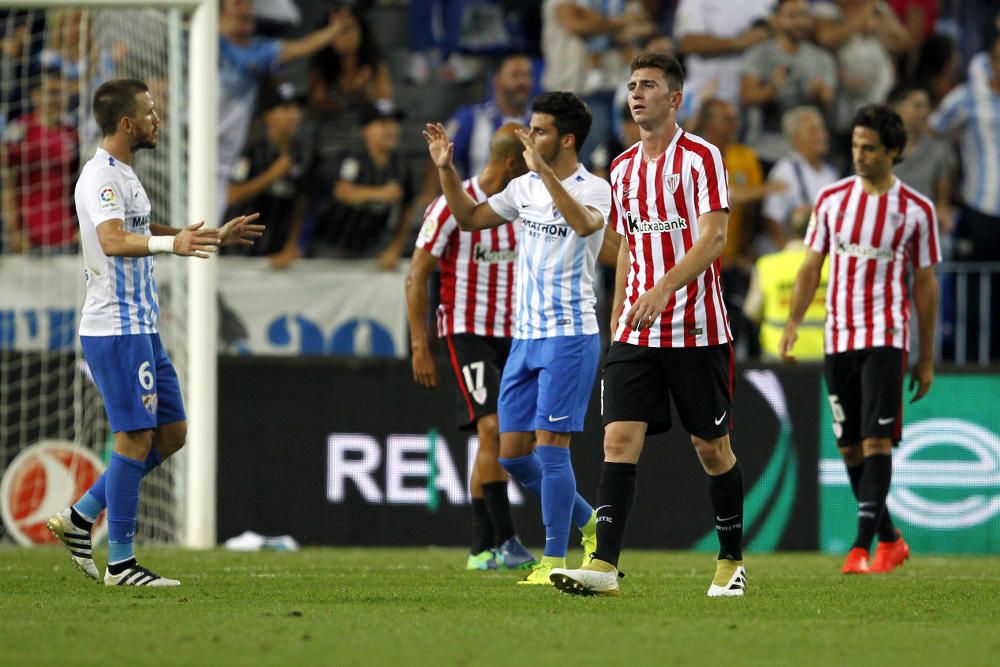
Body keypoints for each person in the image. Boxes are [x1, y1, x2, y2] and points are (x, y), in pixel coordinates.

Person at [47, 79, 263, 586]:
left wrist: (203, 235)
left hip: (142, 327)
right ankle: (120, 563)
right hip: (115, 327)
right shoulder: (99, 177)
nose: (156, 118)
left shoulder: (125, 175)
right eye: (149, 111)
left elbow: (140, 228)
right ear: (126, 123)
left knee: (171, 434)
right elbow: (114, 239)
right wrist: (173, 248)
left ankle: (80, 519)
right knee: (134, 438)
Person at [548, 52, 746, 598]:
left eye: (649, 85)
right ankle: (604, 567)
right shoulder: (624, 168)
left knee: (712, 449)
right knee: (617, 439)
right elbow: (633, 251)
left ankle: (731, 562)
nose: (636, 93)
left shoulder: (702, 158)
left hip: (697, 329)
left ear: (675, 98)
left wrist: (663, 289)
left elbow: (713, 239)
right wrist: (616, 322)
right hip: (637, 331)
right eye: (632, 85)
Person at [424, 91, 608, 585]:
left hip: (569, 335)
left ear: (567, 140)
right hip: (524, 338)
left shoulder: (595, 188)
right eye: (530, 128)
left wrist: (544, 174)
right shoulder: (523, 188)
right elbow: (468, 218)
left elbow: (584, 224)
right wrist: (446, 169)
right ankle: (591, 522)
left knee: (551, 450)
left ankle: (553, 559)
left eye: (541, 131)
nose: (530, 137)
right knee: (511, 455)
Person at [780, 104, 940, 574]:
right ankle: (890, 540)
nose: (859, 155)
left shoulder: (916, 210)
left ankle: (860, 546)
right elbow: (811, 265)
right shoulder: (831, 200)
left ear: (893, 151)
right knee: (849, 446)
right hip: (838, 335)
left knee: (876, 442)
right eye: (854, 145)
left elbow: (925, 284)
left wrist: (925, 357)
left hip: (886, 336)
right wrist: (793, 324)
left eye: (869, 148)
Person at [406, 123, 536, 571]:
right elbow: (416, 275)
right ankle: (506, 542)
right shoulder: (450, 206)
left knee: (503, 435)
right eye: (528, 160)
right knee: (493, 429)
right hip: (465, 330)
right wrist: (420, 344)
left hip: (514, 332)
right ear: (510, 164)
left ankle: (481, 549)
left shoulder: (523, 207)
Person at [217, 0, 342, 224]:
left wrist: (335, 30)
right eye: (238, 4)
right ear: (218, 14)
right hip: (184, 144)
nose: (246, 9)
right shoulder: (198, 43)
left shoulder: (258, 50)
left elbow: (298, 44)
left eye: (249, 8)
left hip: (223, 157)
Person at [309, 103, 414, 269]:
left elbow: (408, 209)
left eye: (394, 123)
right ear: (365, 130)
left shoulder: (401, 166)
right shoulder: (351, 158)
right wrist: (381, 193)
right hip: (332, 246)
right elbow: (341, 191)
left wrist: (395, 248)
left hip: (371, 249)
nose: (391, 129)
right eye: (383, 123)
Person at [224, 80, 310, 269]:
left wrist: (291, 245)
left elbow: (300, 204)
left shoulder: (301, 154)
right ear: (268, 115)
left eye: (297, 108)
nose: (294, 115)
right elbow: (233, 195)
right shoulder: (250, 151)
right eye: (286, 108)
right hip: (238, 253)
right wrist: (272, 175)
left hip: (276, 254)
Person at [739, 0, 836, 167]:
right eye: (792, 16)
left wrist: (818, 93)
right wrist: (772, 88)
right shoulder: (759, 54)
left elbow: (829, 101)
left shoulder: (822, 58)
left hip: (806, 152)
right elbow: (747, 97)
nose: (800, 22)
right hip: (766, 150)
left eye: (804, 16)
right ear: (776, 19)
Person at [1, 66, 78, 253]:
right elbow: (8, 186)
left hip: (67, 237)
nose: (59, 98)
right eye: (53, 92)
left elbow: (75, 187)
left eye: (63, 93)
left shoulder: (71, 134)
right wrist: (14, 232)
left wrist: (79, 228)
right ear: (35, 95)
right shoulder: (19, 132)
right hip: (30, 238)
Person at [743, 205, 827, 361]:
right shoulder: (835, 264)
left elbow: (752, 312)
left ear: (788, 230)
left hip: (779, 359)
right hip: (825, 360)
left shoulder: (766, 265)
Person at [761, 106, 839, 254]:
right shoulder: (785, 172)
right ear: (796, 139)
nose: (822, 135)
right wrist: (787, 253)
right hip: (794, 255)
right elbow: (771, 219)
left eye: (822, 129)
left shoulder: (830, 173)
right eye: (813, 131)